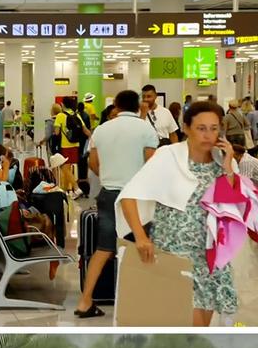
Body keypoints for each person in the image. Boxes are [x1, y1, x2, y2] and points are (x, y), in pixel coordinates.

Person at [118, 100, 242, 327]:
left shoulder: (222, 161)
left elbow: (233, 206)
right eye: (201, 128)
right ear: (186, 128)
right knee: (181, 323)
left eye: (214, 129)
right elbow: (129, 196)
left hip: (210, 257)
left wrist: (228, 169)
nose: (208, 135)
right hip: (175, 254)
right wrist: (141, 237)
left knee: (200, 329)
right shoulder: (168, 156)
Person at [74, 90, 159, 319]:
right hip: (138, 197)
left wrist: (109, 177)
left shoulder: (101, 130)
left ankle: (85, 301)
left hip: (109, 194)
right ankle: (140, 302)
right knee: (142, 248)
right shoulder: (146, 130)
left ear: (117, 105)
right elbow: (152, 164)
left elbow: (92, 163)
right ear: (137, 105)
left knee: (104, 250)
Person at [54, 96, 90, 170]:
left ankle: (72, 182)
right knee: (74, 166)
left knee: (66, 167)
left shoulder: (60, 116)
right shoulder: (76, 115)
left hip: (65, 146)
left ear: (62, 104)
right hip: (76, 144)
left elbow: (57, 132)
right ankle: (73, 180)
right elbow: (85, 130)